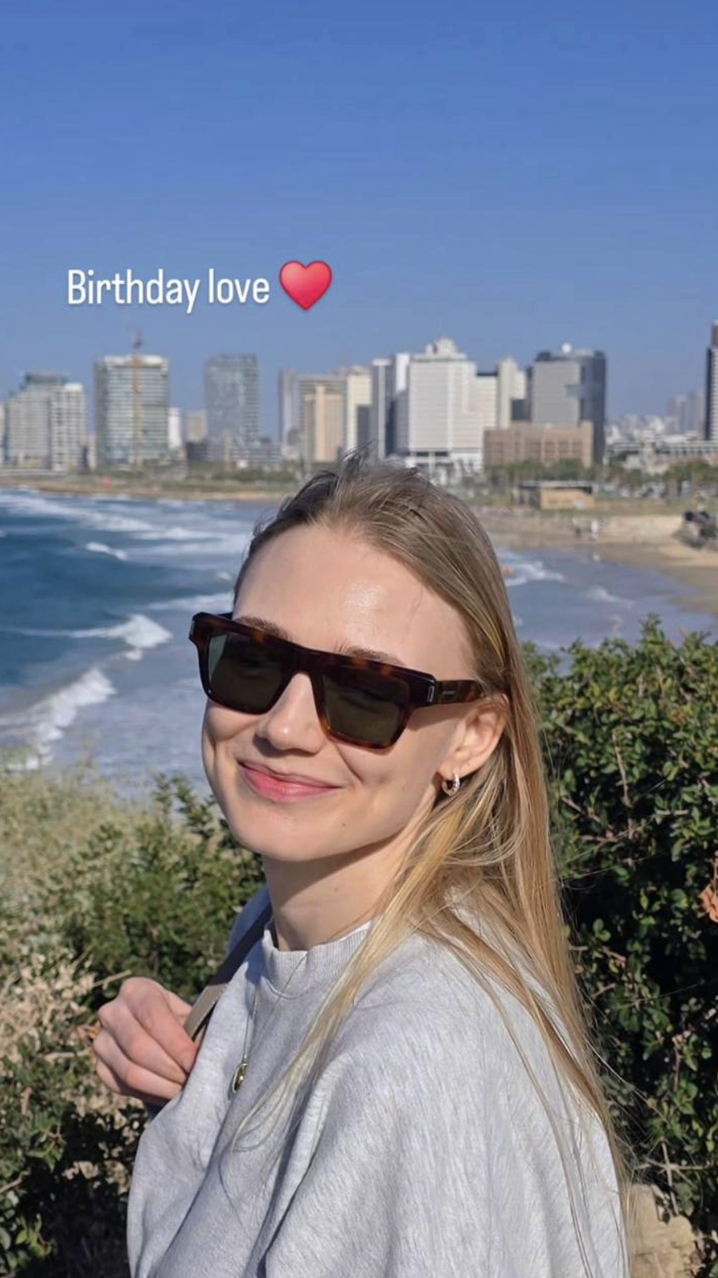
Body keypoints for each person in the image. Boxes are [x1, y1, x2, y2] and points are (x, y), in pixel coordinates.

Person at [93, 452, 633, 1278]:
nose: (285, 727)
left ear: (471, 736)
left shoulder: (418, 1064)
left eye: (366, 692)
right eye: (253, 658)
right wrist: (197, 1071)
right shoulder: (277, 933)